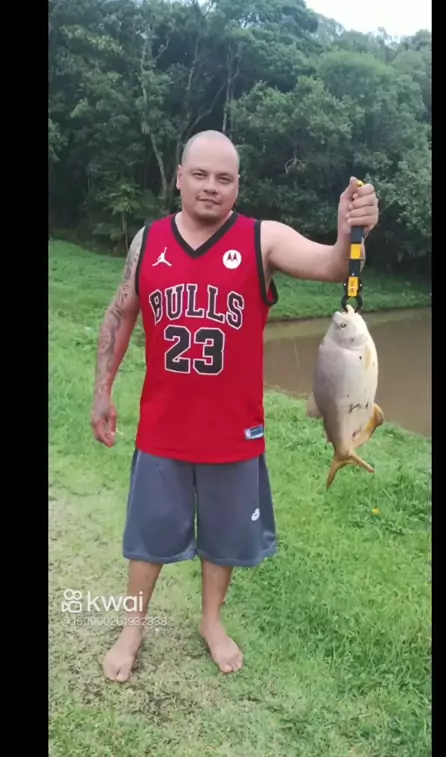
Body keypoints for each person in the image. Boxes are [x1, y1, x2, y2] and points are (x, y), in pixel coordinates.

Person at [91, 129, 379, 682]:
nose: (211, 187)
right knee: (148, 535)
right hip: (163, 428)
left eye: (224, 178)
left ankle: (211, 620)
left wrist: (350, 230)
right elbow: (120, 313)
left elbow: (333, 265)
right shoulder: (148, 242)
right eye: (200, 175)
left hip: (234, 431)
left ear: (237, 186)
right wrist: (102, 390)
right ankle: (132, 628)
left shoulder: (261, 239)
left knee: (223, 539)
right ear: (179, 178)